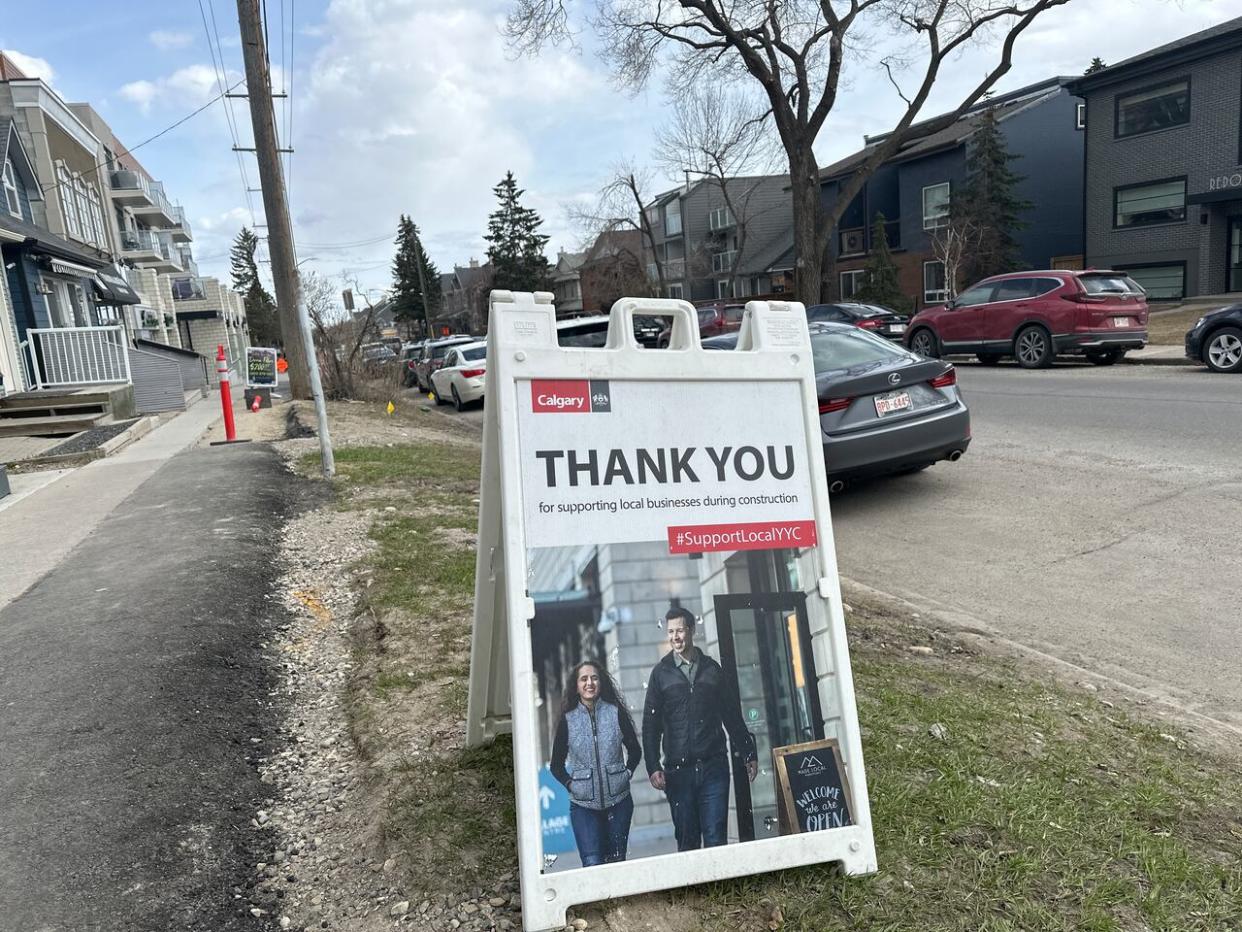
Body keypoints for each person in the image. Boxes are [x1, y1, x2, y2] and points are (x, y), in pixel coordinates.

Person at [643, 606, 757, 851]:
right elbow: (650, 726)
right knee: (687, 841)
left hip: (713, 768)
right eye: (671, 631)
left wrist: (749, 752)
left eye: (680, 631)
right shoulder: (660, 674)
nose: (675, 637)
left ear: (692, 630)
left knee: (716, 838)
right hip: (677, 773)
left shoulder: (712, 669)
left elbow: (732, 715)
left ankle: (720, 889)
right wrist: (653, 766)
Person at [549, 660, 642, 867]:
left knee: (617, 863)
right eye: (584, 679)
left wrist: (626, 774)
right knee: (592, 863)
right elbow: (556, 765)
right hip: (583, 808)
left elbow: (635, 750)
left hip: (619, 803)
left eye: (594, 678)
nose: (589, 683)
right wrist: (571, 784)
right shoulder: (568, 720)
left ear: (601, 683)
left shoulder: (615, 712)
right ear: (577, 686)